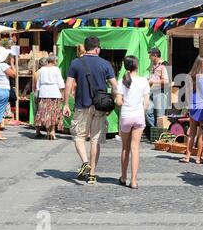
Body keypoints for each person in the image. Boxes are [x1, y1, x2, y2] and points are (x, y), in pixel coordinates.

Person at [63, 37, 118, 185]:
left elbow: (68, 84)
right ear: (97, 48)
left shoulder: (76, 62)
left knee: (79, 136)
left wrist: (66, 104)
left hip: (82, 105)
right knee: (95, 140)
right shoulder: (105, 64)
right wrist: (111, 103)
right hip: (100, 106)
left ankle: (85, 161)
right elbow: (114, 85)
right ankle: (92, 175)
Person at [116, 56, 150, 190]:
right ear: (137, 65)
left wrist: (126, 104)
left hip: (126, 116)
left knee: (125, 148)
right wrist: (141, 109)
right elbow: (146, 103)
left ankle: (123, 177)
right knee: (135, 148)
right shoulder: (143, 81)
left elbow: (118, 101)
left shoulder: (122, 81)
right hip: (138, 116)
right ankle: (134, 181)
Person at [180, 56, 203, 164]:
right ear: (201, 64)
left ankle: (187, 156)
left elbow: (188, 94)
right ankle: (198, 157)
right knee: (202, 132)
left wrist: (187, 107)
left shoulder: (190, 76)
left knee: (192, 132)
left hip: (193, 105)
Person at [35, 54, 65, 140]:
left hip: (44, 92)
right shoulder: (56, 69)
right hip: (54, 92)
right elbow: (60, 83)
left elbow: (38, 82)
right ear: (54, 61)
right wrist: (62, 93)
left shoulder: (42, 69)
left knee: (46, 113)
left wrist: (38, 90)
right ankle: (52, 132)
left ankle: (49, 131)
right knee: (54, 112)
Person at [146, 48, 169, 128]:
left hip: (160, 93)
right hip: (151, 93)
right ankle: (155, 131)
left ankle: (159, 137)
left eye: (150, 55)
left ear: (155, 56)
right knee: (148, 111)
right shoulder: (153, 66)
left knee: (160, 116)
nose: (149, 57)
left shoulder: (163, 65)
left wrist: (153, 81)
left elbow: (166, 81)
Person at [33, 57, 49, 138]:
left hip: (36, 92)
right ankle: (48, 131)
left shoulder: (36, 72)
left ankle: (37, 131)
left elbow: (34, 85)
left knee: (37, 112)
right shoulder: (46, 72)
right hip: (44, 92)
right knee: (46, 111)